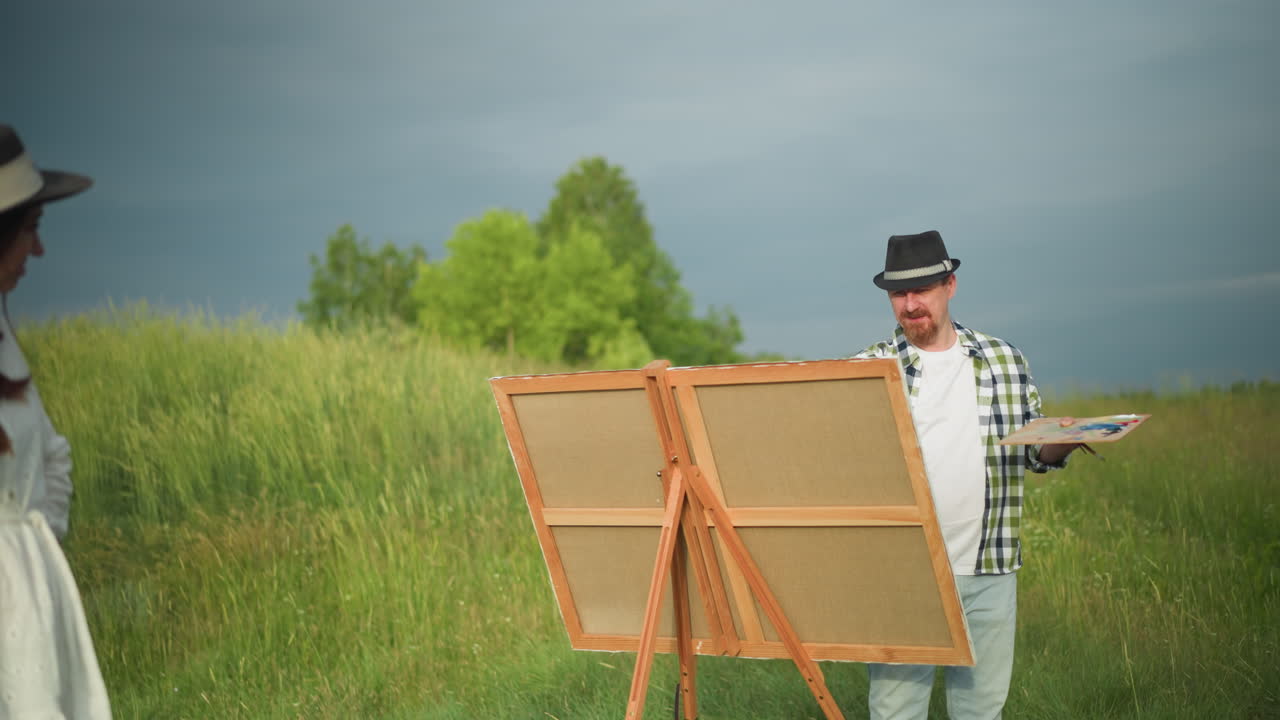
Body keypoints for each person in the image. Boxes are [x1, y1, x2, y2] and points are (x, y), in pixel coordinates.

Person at [855, 230, 1077, 720]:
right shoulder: (868, 369)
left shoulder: (1005, 360)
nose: (911, 305)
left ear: (950, 285)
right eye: (899, 294)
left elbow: (1032, 452)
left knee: (981, 711)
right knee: (895, 712)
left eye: (922, 291)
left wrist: (1061, 442)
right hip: (903, 572)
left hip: (989, 566)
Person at [0, 124, 112, 718]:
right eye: (30, 231)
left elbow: (51, 453)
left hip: (31, 603)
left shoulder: (4, 345)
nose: (37, 252)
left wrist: (35, 545)